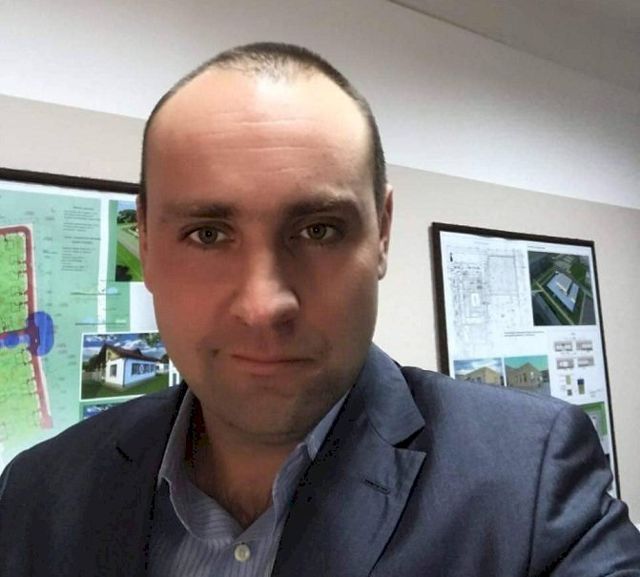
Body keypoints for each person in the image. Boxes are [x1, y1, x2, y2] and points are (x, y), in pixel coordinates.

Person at [1, 42, 639, 576]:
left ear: (382, 232)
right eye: (208, 234)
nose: (264, 306)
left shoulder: (529, 481)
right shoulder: (37, 492)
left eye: (319, 230)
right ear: (143, 242)